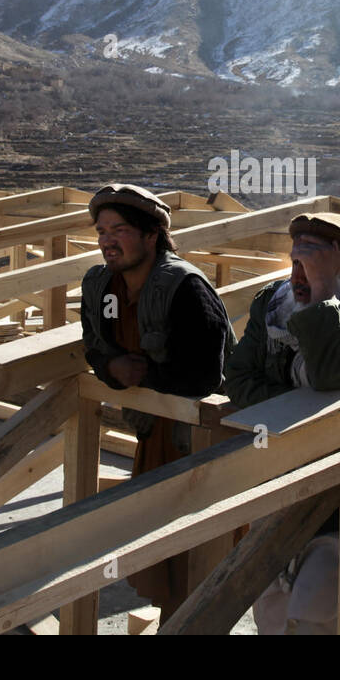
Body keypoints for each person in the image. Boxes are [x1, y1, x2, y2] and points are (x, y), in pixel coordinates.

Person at [224, 212, 340, 633]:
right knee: (271, 608)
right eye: (295, 262)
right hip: (277, 481)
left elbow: (330, 376)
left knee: (325, 615)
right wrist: (298, 409)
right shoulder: (273, 302)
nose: (298, 277)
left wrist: (325, 294)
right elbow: (237, 379)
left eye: (312, 265)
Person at [79, 183, 234, 618]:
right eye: (102, 230)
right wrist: (111, 369)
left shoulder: (184, 289)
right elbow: (96, 343)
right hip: (153, 432)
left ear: (152, 236)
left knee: (199, 551)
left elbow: (207, 374)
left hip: (199, 439)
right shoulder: (106, 289)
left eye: (120, 229)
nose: (108, 239)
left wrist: (147, 374)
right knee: (160, 551)